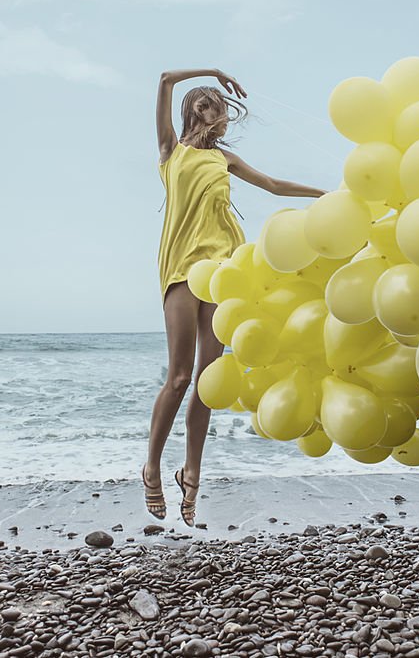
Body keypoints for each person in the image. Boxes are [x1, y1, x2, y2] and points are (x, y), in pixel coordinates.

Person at [143, 68, 327, 526]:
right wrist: (214, 73)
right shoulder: (171, 151)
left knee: (210, 381)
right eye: (219, 110)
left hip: (225, 273)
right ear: (199, 109)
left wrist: (323, 195)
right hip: (181, 271)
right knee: (181, 377)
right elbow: (165, 79)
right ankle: (151, 468)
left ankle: (193, 473)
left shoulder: (224, 159)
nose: (226, 119)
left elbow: (273, 185)